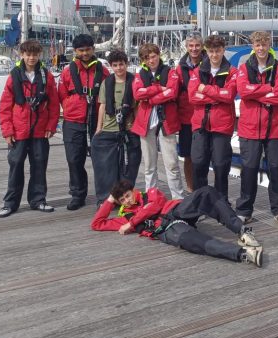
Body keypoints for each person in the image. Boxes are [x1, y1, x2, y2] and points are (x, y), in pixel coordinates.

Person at [91, 179, 263, 267]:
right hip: (167, 228)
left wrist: (132, 223)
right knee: (193, 242)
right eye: (122, 200)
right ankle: (243, 253)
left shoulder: (150, 193)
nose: (127, 201)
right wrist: (110, 199)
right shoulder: (124, 217)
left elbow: (156, 205)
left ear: (133, 191)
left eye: (127, 195)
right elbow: (97, 224)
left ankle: (242, 231)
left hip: (176, 210)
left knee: (206, 193)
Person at [0, 40, 59, 217]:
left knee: (39, 165)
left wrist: (51, 126)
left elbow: (54, 104)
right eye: (28, 54)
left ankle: (38, 200)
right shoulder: (14, 76)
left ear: (40, 55)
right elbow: (5, 106)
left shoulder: (46, 76)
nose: (31, 58)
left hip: (40, 130)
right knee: (15, 166)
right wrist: (7, 131)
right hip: (18, 131)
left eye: (35, 54)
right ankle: (10, 203)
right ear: (21, 55)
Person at [236, 31, 278, 227]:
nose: (261, 48)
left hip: (275, 127)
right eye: (257, 45)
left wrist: (255, 92)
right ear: (253, 46)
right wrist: (268, 89)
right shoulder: (243, 68)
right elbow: (243, 91)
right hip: (250, 128)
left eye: (264, 45)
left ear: (269, 45)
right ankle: (244, 210)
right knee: (249, 169)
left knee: (276, 169)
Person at [58, 34, 109, 210]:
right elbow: (62, 94)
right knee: (74, 159)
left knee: (101, 160)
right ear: (75, 51)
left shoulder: (103, 71)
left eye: (88, 49)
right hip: (73, 119)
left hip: (97, 118)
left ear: (93, 49)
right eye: (81, 50)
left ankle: (104, 196)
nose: (85, 53)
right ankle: (78, 194)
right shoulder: (67, 72)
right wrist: (71, 106)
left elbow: (109, 94)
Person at [131, 43, 185, 198]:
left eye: (153, 56)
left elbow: (172, 92)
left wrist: (152, 98)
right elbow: (137, 94)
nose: (151, 60)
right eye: (147, 58)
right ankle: (151, 197)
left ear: (158, 55)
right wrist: (159, 88)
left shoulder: (171, 72)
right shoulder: (140, 74)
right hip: (146, 123)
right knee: (149, 164)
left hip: (166, 121)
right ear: (143, 60)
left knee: (172, 164)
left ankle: (178, 198)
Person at [188, 35, 237, 200]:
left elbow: (229, 95)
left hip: (222, 125)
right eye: (211, 51)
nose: (214, 55)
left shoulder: (232, 71)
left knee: (221, 165)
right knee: (198, 164)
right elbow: (192, 97)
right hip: (200, 125)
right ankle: (199, 202)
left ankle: (221, 202)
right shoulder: (197, 71)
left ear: (223, 50)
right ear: (206, 52)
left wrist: (205, 89)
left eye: (217, 51)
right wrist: (217, 95)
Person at [92, 50, 142, 204]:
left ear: (126, 64)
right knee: (106, 168)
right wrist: (98, 128)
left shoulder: (134, 82)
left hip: (127, 129)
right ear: (111, 66)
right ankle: (105, 199)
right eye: (115, 65)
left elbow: (136, 108)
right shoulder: (107, 83)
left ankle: (126, 198)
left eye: (122, 64)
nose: (119, 68)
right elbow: (102, 106)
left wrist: (136, 127)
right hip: (109, 129)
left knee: (128, 168)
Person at [176, 33, 206, 191]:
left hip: (205, 117)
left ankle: (203, 188)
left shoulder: (209, 63)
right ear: (187, 47)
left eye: (197, 46)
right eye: (191, 46)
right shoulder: (180, 68)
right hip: (186, 118)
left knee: (203, 157)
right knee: (188, 156)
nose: (194, 49)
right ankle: (191, 189)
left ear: (202, 46)